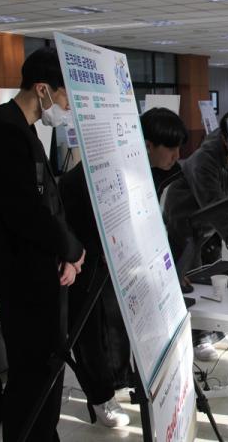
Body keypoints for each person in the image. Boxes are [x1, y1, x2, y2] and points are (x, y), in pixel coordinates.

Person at [0, 46, 85, 442]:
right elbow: (25, 211)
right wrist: (71, 250)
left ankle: (43, 434)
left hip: (38, 267)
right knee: (34, 369)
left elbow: (48, 200)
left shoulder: (23, 128)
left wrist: (66, 253)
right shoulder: (3, 130)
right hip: (20, 274)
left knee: (47, 365)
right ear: (43, 89)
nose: (67, 106)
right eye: (65, 95)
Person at [163, 109, 228, 361]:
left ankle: (216, 332)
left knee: (212, 276)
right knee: (189, 278)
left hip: (208, 224)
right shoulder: (205, 160)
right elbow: (214, 206)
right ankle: (197, 338)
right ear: (224, 138)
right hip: (185, 219)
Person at [59, 162, 133, 428]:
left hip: (110, 259)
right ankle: (101, 398)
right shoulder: (75, 181)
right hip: (81, 266)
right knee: (88, 331)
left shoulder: (122, 167)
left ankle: (117, 381)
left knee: (114, 322)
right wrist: (74, 256)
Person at [140, 107, 188, 197]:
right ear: (148, 146)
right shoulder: (132, 176)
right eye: (171, 148)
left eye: (179, 147)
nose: (177, 156)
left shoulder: (175, 174)